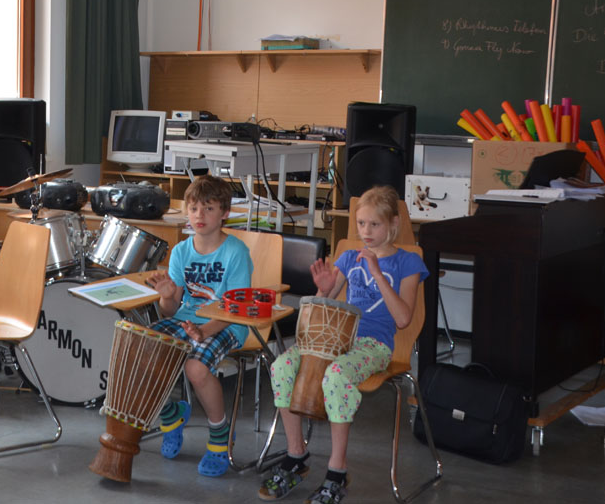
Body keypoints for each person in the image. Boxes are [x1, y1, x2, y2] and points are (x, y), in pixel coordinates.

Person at [257, 185, 426, 503]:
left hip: (374, 346)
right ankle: (296, 455)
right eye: (361, 223)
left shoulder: (408, 263)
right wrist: (323, 289)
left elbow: (403, 319)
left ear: (393, 224)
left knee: (336, 376)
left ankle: (337, 471)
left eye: (374, 224)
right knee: (281, 366)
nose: (366, 231)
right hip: (336, 338)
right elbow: (320, 309)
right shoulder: (349, 257)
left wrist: (377, 273)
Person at [144, 174, 253, 478]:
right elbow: (170, 310)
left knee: (195, 368)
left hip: (227, 324)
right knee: (141, 348)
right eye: (193, 208)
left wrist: (203, 332)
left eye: (209, 208)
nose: (199, 215)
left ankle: (220, 434)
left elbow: (235, 310)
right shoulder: (181, 251)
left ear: (225, 213)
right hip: (186, 320)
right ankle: (171, 415)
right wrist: (167, 296)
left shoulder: (236, 252)